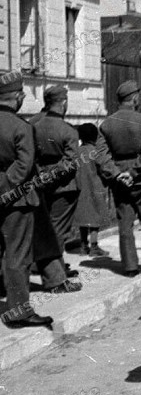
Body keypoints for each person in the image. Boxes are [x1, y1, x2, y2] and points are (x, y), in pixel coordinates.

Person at [95, 81, 141, 284]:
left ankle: (130, 266)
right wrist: (134, 172)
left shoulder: (106, 124)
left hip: (119, 182)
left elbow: (101, 155)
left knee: (125, 225)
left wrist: (118, 174)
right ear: (135, 98)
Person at [0, 71, 54, 328]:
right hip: (17, 201)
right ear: (18, 97)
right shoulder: (22, 127)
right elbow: (24, 166)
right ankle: (18, 311)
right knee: (18, 255)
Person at [32, 85, 80, 254]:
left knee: (44, 225)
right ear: (64, 102)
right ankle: (56, 272)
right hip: (64, 187)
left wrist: (43, 174)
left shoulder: (34, 127)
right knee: (59, 230)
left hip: (41, 183)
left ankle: (44, 264)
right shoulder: (68, 130)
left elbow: (32, 158)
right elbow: (71, 163)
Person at [74, 123, 110, 257]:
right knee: (96, 216)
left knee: (83, 215)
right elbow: (104, 168)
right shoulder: (96, 152)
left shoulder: (77, 151)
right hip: (96, 186)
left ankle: (83, 246)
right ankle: (94, 246)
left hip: (81, 187)